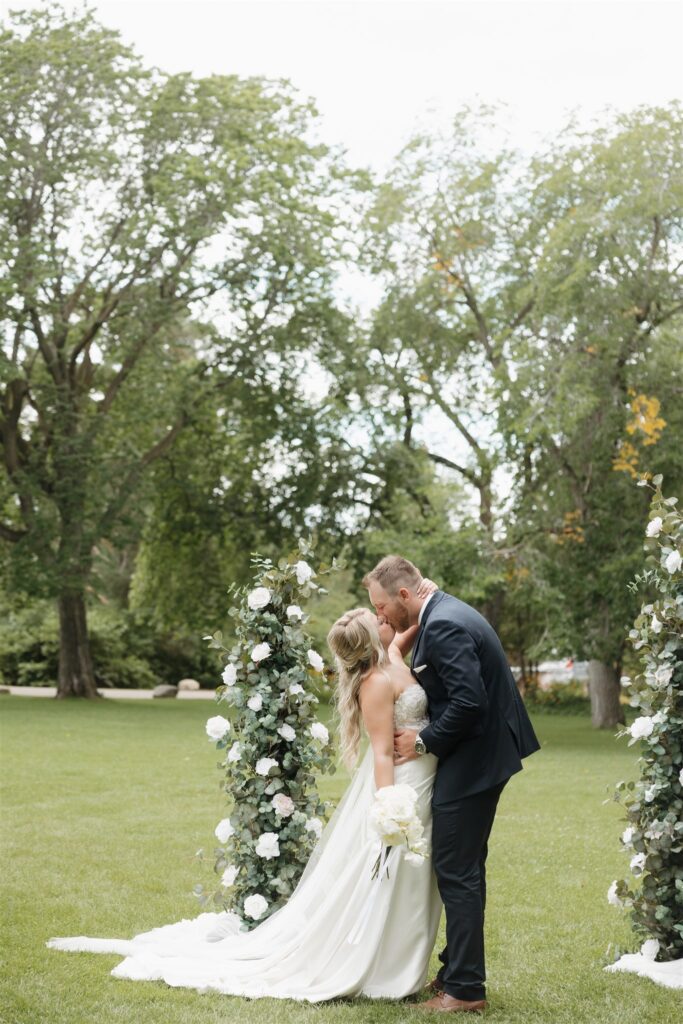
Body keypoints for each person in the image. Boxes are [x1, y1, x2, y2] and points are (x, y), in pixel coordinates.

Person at [47, 580, 446, 1003]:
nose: (386, 619)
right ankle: (384, 966)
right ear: (371, 641)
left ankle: (399, 959)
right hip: (400, 789)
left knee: (412, 877)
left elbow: (403, 633)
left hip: (422, 779)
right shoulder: (377, 684)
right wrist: (389, 810)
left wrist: (428, 600)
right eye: (378, 619)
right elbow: (382, 755)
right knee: (394, 873)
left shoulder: (393, 659)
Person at [365, 555, 541, 1013]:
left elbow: (468, 702)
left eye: (381, 606)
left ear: (405, 595)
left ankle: (464, 989)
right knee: (461, 869)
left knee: (456, 871)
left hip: (477, 759)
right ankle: (453, 973)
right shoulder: (439, 612)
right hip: (482, 755)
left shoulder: (442, 624)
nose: (379, 616)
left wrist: (423, 741)